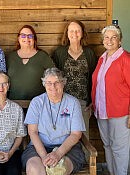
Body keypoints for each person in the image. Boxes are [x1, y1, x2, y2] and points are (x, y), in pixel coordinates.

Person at [22, 68, 86, 175]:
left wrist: (58, 154)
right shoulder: (37, 102)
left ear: (63, 83)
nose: (53, 87)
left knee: (58, 171)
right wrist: (44, 156)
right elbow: (32, 132)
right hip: (38, 147)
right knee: (35, 170)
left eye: (57, 82)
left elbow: (76, 134)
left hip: (67, 148)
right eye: (49, 83)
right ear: (44, 84)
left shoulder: (73, 103)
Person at [91, 25, 130, 175]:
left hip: (120, 113)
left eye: (114, 37)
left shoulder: (125, 59)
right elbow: (100, 85)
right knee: (107, 145)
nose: (110, 40)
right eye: (107, 37)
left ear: (120, 41)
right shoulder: (102, 58)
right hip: (102, 112)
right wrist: (93, 103)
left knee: (119, 148)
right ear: (103, 41)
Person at [52, 20, 97, 138]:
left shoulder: (89, 53)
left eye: (77, 30)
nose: (74, 33)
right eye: (71, 31)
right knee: (64, 136)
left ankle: (86, 157)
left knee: (84, 137)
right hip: (63, 102)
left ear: (82, 33)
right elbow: (54, 77)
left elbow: (94, 78)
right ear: (67, 33)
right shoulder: (59, 53)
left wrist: (92, 101)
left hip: (83, 103)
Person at [6, 25, 54, 100]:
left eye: (30, 36)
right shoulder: (10, 57)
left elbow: (54, 76)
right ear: (18, 38)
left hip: (37, 105)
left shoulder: (42, 56)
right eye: (23, 35)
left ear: (34, 39)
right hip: (14, 104)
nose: (26, 38)